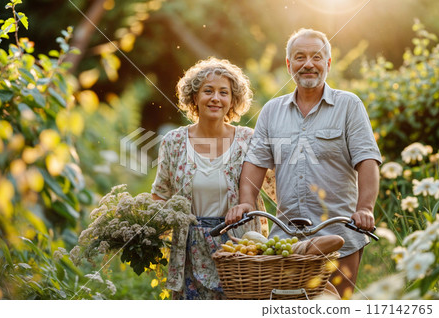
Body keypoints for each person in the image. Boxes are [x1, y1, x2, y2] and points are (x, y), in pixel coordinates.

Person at [226, 28, 382, 298]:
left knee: (336, 306)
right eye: (300, 57)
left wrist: (365, 208)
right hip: (286, 238)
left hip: (339, 233)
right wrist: (246, 202)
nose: (308, 64)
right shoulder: (272, 111)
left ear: (328, 64)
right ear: (289, 65)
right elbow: (255, 162)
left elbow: (367, 159)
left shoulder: (349, 105)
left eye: (317, 57)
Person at [151, 57, 272, 299]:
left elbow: (278, 187)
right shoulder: (174, 142)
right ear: (194, 98)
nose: (215, 98)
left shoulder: (248, 139)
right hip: (188, 250)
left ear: (233, 101)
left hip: (239, 250)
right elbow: (160, 195)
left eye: (223, 92)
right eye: (208, 91)